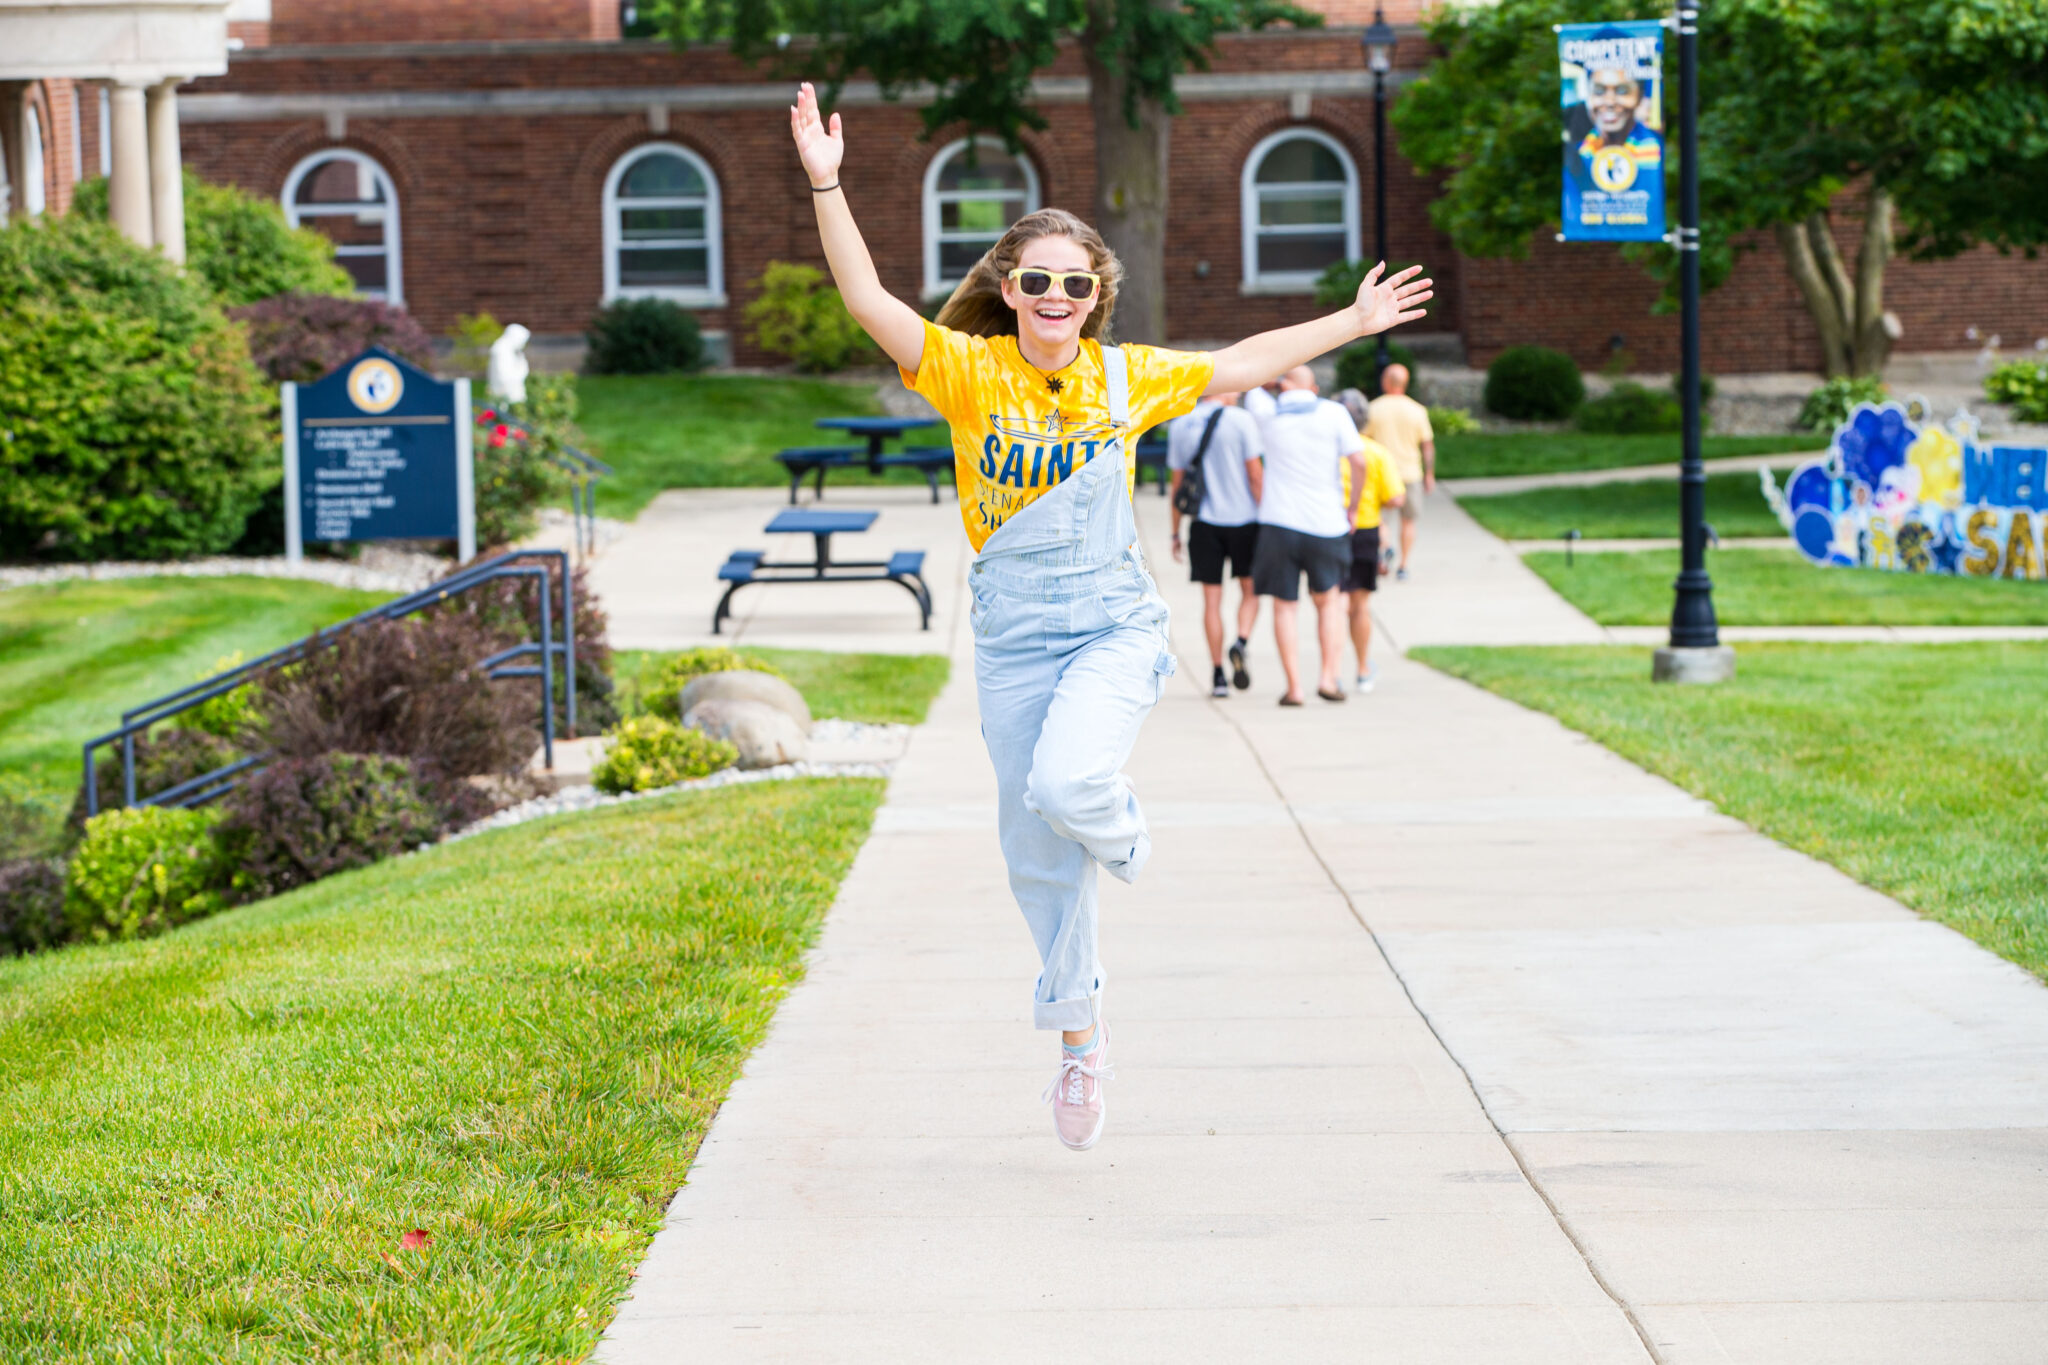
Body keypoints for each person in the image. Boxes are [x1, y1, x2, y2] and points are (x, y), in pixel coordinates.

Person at [789, 83, 1430, 1150]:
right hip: (1010, 638)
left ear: (1094, 295)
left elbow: (1240, 362)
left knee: (1068, 787)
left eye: (1070, 284)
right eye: (1033, 279)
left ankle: (1122, 835)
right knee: (1035, 856)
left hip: (1107, 627)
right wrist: (825, 179)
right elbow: (864, 296)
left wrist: (1352, 324)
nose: (1051, 295)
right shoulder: (966, 370)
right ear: (1008, 285)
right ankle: (1079, 1042)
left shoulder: (1124, 380)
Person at [1252, 366, 1368, 706]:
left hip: (1278, 522)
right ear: (1314, 388)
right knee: (1328, 601)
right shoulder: (1334, 413)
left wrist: (1271, 381)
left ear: (1281, 385)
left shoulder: (1265, 410)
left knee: (1284, 606)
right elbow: (1359, 462)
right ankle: (1328, 678)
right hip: (1326, 523)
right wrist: (1354, 506)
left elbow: (1249, 382)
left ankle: (1294, 688)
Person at [1166, 391, 1265, 697]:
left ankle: (1219, 674)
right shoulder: (1241, 420)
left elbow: (1178, 483)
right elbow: (1255, 475)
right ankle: (1241, 641)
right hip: (1245, 520)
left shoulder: (1182, 423)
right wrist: (1268, 518)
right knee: (1250, 590)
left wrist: (1175, 531)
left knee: (1211, 601)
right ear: (1225, 389)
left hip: (1204, 523)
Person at [1335, 388, 1405, 694]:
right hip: (1365, 530)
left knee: (1332, 605)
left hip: (1329, 530)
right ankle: (1363, 669)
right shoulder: (1375, 452)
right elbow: (1396, 497)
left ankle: (1331, 671)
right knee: (1360, 605)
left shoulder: (1327, 450)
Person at [1364, 363, 1434, 580]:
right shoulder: (1417, 410)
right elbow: (1427, 445)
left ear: (1385, 381)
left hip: (1382, 475)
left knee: (1379, 520)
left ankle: (1385, 547)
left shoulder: (1373, 408)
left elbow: (1364, 442)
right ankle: (1403, 566)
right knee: (1408, 521)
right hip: (1411, 473)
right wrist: (1429, 474)